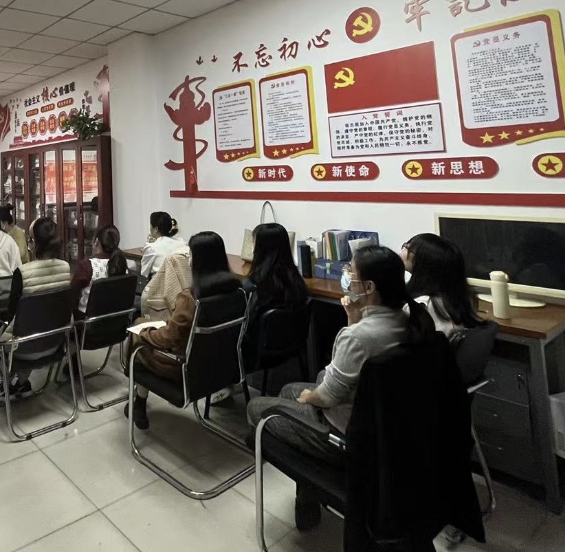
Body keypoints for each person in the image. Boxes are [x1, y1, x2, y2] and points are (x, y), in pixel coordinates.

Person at [245, 245, 435, 525]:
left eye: (351, 272)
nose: (346, 276)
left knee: (256, 408)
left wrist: (310, 398)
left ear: (369, 287)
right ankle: (306, 498)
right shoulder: (410, 319)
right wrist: (353, 319)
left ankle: (313, 479)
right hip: (387, 427)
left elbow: (328, 396)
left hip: (347, 435)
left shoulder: (358, 337)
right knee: (287, 390)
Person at [126, 231, 243, 429]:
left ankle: (139, 401)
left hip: (185, 369)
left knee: (137, 339)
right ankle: (138, 401)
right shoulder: (237, 291)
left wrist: (145, 333)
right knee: (143, 327)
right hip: (222, 367)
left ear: (198, 261)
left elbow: (168, 339)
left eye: (191, 255)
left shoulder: (191, 298)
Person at [0, 217, 74, 399]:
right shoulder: (65, 268)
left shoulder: (23, 273)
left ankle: (7, 384)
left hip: (24, 348)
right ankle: (22, 383)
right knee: (33, 324)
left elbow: (12, 314)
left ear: (32, 243)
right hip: (55, 344)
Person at [241, 222, 310, 368]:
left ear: (260, 248)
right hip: (291, 347)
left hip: (258, 353)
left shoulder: (254, 286)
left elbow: (246, 324)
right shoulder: (296, 280)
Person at [402, 233, 485, 338]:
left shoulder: (420, 306)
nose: (403, 250)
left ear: (423, 263)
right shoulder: (466, 296)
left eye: (407, 247)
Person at [71, 225, 129, 316]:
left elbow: (72, 295)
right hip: (116, 317)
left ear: (96, 241)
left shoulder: (86, 265)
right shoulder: (121, 263)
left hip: (88, 320)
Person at [138, 211, 186, 280]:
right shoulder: (181, 243)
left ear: (156, 229)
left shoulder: (152, 248)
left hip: (160, 284)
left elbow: (144, 272)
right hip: (181, 283)